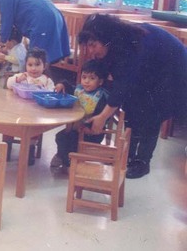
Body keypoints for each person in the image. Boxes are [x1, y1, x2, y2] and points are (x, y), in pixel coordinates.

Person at [78, 14, 187, 179]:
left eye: (93, 45)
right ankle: (126, 156)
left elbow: (122, 85)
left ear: (105, 39)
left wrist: (103, 116)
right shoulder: (112, 46)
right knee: (131, 108)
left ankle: (142, 162)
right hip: (151, 69)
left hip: (175, 70)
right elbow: (115, 85)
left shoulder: (128, 46)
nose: (90, 51)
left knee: (151, 113)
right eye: (88, 46)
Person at [0, 0, 70, 64]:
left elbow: (6, 22)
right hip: (55, 15)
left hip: (42, 19)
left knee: (35, 58)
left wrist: (0, 44)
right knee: (42, 58)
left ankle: (35, 78)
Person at [50, 59, 109, 168]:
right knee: (60, 136)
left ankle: (70, 162)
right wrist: (62, 84)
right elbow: (69, 87)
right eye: (84, 77)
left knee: (71, 139)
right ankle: (62, 156)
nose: (86, 81)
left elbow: (101, 117)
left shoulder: (101, 96)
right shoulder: (79, 89)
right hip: (76, 128)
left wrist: (88, 128)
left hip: (92, 132)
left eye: (92, 78)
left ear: (100, 82)